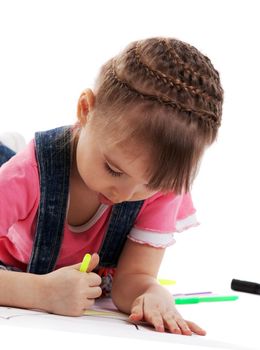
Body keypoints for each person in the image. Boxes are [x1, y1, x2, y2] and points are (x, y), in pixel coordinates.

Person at [0, 37, 223, 335]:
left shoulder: (162, 187)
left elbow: (133, 279)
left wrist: (152, 294)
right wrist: (40, 291)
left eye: (150, 184)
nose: (125, 195)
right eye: (114, 170)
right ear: (85, 110)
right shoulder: (28, 173)